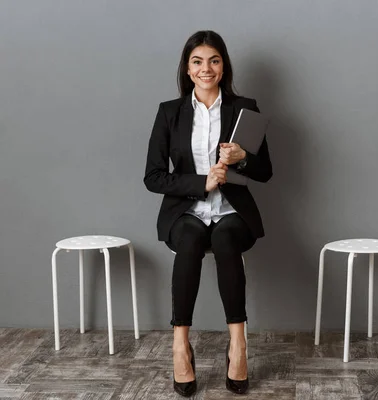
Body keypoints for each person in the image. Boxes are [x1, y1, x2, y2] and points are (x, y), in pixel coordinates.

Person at [144, 30, 272, 397]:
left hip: (234, 211)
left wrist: (242, 159)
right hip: (186, 211)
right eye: (198, 61)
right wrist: (202, 183)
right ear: (187, 69)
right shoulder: (169, 112)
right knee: (189, 238)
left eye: (214, 60)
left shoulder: (245, 108)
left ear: (223, 65)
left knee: (225, 236)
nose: (206, 68)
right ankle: (180, 345)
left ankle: (238, 346)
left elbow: (265, 172)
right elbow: (153, 177)